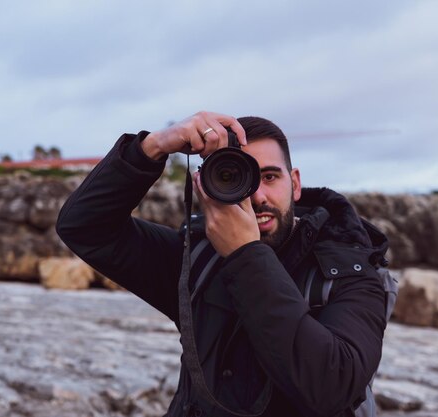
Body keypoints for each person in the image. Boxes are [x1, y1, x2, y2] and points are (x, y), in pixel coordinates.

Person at [56, 111, 389, 417]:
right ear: (209, 184)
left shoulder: (352, 273)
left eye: (270, 176)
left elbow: (332, 388)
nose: (257, 195)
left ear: (296, 183)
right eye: (238, 177)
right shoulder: (197, 261)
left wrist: (245, 254)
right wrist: (152, 146)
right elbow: (85, 228)